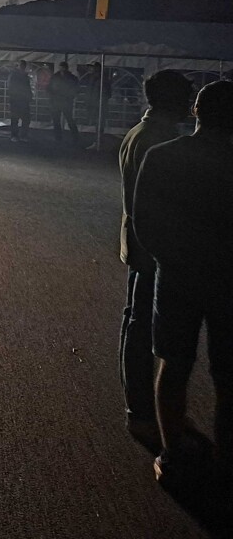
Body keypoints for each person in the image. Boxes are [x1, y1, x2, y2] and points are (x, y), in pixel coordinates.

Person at [132, 80, 233, 488]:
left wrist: (171, 262)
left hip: (177, 278)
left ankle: (173, 453)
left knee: (174, 364)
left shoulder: (163, 155)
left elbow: (145, 223)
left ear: (196, 112)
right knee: (228, 377)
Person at [117, 70, 193, 451]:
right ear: (173, 102)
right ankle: (143, 411)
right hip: (154, 249)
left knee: (137, 323)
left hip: (141, 243)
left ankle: (145, 408)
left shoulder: (139, 133)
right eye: (187, 97)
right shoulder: (158, 142)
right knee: (143, 329)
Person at [49, 61, 80, 141]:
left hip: (63, 101)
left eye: (62, 67)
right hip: (61, 101)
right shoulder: (70, 77)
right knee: (61, 120)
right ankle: (61, 137)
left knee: (67, 119)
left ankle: (71, 136)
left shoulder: (57, 77)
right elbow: (49, 88)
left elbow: (75, 89)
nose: (61, 69)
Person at [6, 60, 33, 142]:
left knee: (22, 119)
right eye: (22, 66)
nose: (22, 67)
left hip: (20, 100)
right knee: (17, 119)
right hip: (17, 99)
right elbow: (11, 87)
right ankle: (17, 135)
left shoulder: (18, 75)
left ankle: (18, 135)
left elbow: (11, 87)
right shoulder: (17, 75)